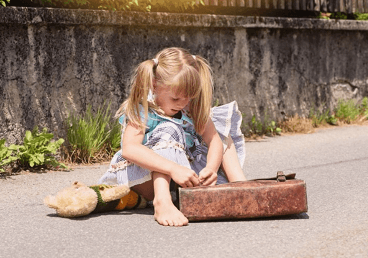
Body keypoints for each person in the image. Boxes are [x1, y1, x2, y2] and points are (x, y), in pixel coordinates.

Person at [99, 47, 246, 226]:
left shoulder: (190, 108)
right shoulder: (144, 109)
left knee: (222, 132)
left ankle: (241, 187)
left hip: (182, 180)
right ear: (154, 84)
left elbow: (214, 139)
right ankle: (163, 202)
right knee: (169, 128)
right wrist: (173, 169)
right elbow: (130, 148)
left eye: (189, 98)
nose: (183, 104)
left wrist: (211, 169)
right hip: (144, 178)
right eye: (176, 99)